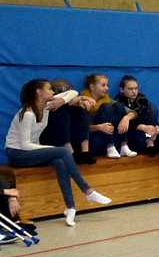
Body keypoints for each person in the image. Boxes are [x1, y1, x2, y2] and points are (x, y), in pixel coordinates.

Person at [5, 79, 112, 227]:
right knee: (61, 152)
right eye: (49, 89)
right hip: (17, 153)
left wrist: (61, 100)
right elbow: (24, 145)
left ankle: (70, 208)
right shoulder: (27, 113)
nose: (52, 92)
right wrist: (51, 149)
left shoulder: (47, 106)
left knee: (60, 162)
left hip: (31, 151)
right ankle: (87, 190)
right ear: (39, 92)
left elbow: (73, 92)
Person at [82, 73, 138, 158]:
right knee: (106, 107)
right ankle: (110, 146)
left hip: (113, 141)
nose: (107, 88)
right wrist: (99, 127)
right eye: (103, 85)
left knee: (119, 106)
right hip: (94, 141)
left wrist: (126, 118)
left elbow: (133, 113)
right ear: (92, 87)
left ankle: (123, 145)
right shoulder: (83, 102)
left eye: (107, 85)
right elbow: (80, 129)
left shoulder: (107, 99)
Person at [40, 79, 95, 165]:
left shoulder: (72, 103)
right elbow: (69, 99)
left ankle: (85, 152)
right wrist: (82, 98)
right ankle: (70, 153)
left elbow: (72, 95)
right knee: (61, 114)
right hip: (53, 140)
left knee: (81, 110)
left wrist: (81, 101)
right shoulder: (49, 103)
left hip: (72, 138)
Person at [114, 75, 159, 154]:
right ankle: (149, 140)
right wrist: (142, 127)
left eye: (136, 88)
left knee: (152, 106)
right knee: (140, 141)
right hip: (131, 135)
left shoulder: (142, 100)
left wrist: (156, 127)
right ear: (121, 90)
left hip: (148, 134)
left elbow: (150, 117)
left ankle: (150, 140)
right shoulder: (118, 102)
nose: (134, 92)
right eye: (130, 89)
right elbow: (122, 127)